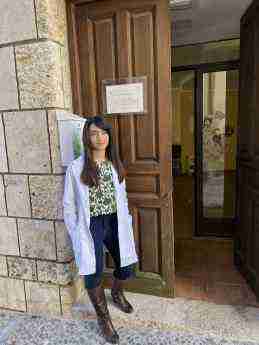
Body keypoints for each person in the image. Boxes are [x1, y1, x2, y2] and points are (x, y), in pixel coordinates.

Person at [63, 116, 138, 344]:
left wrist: (126, 219)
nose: (100, 137)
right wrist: (75, 231)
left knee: (127, 266)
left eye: (103, 132)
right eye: (94, 133)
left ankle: (116, 292)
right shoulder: (77, 168)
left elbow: (122, 196)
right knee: (92, 272)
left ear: (109, 136)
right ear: (87, 136)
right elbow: (69, 204)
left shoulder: (114, 164)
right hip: (91, 224)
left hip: (115, 221)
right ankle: (104, 319)